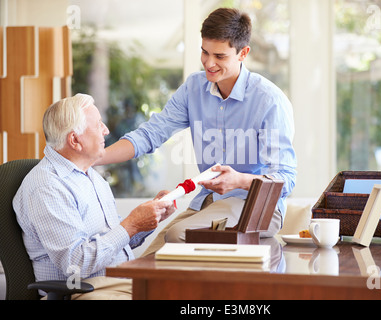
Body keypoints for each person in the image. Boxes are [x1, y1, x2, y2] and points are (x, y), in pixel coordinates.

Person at [97, 8, 297, 254]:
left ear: (243, 53)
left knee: (178, 236)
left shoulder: (269, 101)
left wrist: (240, 180)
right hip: (208, 203)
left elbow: (284, 179)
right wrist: (96, 158)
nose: (209, 63)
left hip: (255, 207)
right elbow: (151, 134)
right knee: (151, 257)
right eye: (205, 52)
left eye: (220, 56)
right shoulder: (193, 88)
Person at [13, 94, 175, 300]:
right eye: (98, 124)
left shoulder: (91, 176)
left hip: (118, 280)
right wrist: (131, 224)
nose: (106, 130)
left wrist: (149, 219)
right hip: (82, 291)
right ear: (75, 140)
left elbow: (114, 241)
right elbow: (76, 264)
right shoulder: (47, 186)